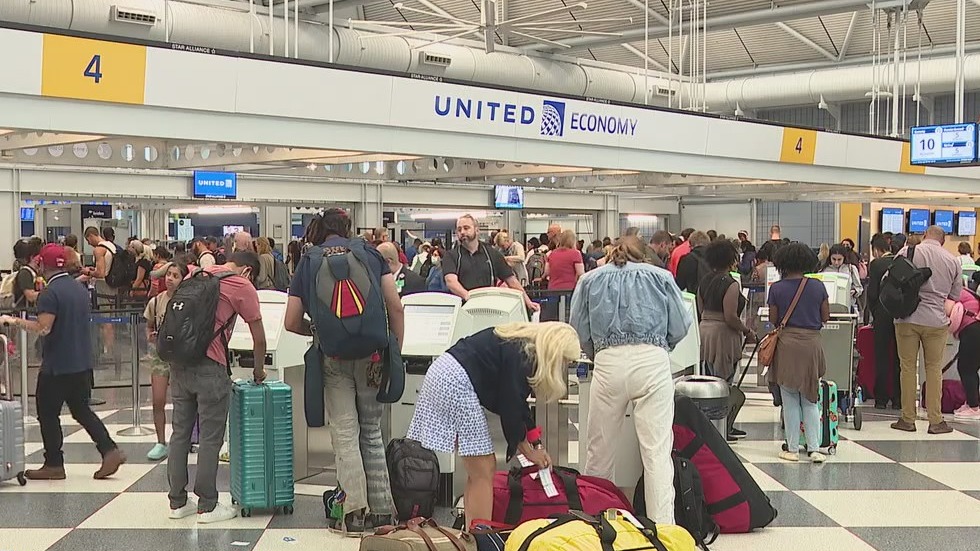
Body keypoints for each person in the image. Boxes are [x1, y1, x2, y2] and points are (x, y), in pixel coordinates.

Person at [284, 208, 403, 533]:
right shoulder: (369, 252)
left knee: (346, 434)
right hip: (372, 358)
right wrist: (395, 348)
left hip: (334, 359)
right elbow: (394, 305)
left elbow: (291, 321)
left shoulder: (309, 261)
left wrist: (320, 330)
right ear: (348, 228)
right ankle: (382, 513)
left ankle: (353, 514)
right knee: (372, 433)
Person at [407, 322, 580, 528]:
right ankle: (481, 537)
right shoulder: (523, 355)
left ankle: (473, 532)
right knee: (484, 468)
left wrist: (533, 440)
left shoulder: (521, 343)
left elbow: (517, 401)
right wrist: (528, 451)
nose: (564, 366)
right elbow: (511, 405)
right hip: (456, 382)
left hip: (447, 374)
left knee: (479, 469)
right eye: (565, 360)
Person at [569, 236, 692, 525]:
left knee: (599, 450)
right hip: (652, 361)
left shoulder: (590, 279)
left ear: (611, 253)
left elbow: (578, 326)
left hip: (608, 362)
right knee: (657, 452)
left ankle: (597, 522)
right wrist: (661, 345)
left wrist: (598, 351)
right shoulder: (660, 276)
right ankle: (663, 527)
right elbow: (681, 325)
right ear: (644, 254)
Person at [1, 244, 126, 480]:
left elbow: (43, 327)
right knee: (81, 409)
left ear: (43, 265)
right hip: (81, 361)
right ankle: (109, 449)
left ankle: (54, 463)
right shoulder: (78, 288)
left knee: (47, 413)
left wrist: (13, 321)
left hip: (57, 365)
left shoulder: (50, 293)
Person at [167, 251, 267, 524]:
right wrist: (259, 371)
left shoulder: (196, 275)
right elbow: (259, 339)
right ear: (248, 270)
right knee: (211, 438)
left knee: (180, 434)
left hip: (179, 363)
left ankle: (177, 502)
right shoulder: (241, 285)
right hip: (211, 367)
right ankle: (207, 505)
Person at [891, 226, 961, 435]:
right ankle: (935, 421)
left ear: (924, 237)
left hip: (907, 318)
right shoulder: (952, 260)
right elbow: (955, 295)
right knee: (933, 369)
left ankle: (907, 419)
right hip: (936, 322)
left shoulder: (907, 252)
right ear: (942, 241)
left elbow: (891, 279)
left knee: (907, 368)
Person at [767, 243, 830, 463]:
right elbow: (825, 317)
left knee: (790, 398)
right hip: (811, 344)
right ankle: (814, 449)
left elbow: (773, 320)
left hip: (787, 345)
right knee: (811, 399)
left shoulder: (776, 288)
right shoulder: (817, 287)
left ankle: (792, 449)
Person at [697, 240, 755, 442]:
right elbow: (730, 316)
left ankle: (711, 427)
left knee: (709, 379)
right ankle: (722, 427)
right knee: (724, 381)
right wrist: (747, 331)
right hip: (723, 334)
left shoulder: (704, 281)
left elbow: (701, 309)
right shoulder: (731, 284)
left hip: (705, 331)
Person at [441, 215, 539, 312]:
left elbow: (512, 281)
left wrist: (528, 302)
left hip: (488, 309)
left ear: (477, 230)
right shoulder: (450, 256)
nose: (462, 232)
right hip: (462, 309)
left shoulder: (492, 254)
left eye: (466, 228)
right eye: (459, 229)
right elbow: (451, 282)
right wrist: (468, 297)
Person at [144, 262, 189, 461]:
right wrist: (151, 335)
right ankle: (160, 441)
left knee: (184, 402)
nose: (169, 278)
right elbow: (149, 325)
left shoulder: (188, 302)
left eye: (175, 275)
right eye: (168, 274)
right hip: (161, 355)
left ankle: (183, 439)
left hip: (182, 356)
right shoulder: (156, 302)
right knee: (158, 400)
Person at [866, 235, 901, 410]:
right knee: (899, 358)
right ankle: (898, 399)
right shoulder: (901, 262)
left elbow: (872, 293)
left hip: (882, 315)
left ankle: (881, 398)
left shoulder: (877, 264)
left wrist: (874, 313)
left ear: (876, 250)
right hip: (901, 315)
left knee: (882, 356)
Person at [947, 289, 980, 420]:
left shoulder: (953, 293)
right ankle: (972, 403)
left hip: (972, 329)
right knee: (971, 368)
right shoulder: (965, 292)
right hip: (973, 328)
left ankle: (974, 407)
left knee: (966, 368)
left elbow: (950, 312)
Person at [820, 244, 863, 312]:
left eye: (839, 259)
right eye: (834, 259)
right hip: (828, 306)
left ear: (844, 258)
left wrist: (854, 291)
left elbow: (859, 288)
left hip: (847, 306)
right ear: (830, 257)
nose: (836, 262)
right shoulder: (824, 270)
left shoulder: (851, 269)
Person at [675, 231, 711, 295]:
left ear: (691, 245)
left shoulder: (686, 259)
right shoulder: (715, 258)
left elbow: (680, 285)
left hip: (693, 298)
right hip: (710, 299)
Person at [10, 239, 41, 309]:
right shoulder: (25, 273)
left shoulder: (36, 272)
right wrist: (50, 293)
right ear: (32, 257)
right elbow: (30, 296)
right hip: (24, 313)